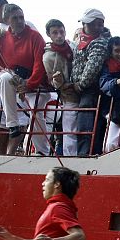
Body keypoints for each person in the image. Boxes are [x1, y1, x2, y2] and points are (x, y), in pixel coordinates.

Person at [0, 3, 52, 156]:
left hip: (35, 84)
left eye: (21, 17)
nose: (20, 21)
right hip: (16, 82)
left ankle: (42, 150)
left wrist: (29, 84)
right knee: (4, 78)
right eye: (15, 18)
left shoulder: (35, 36)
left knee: (35, 109)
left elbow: (39, 65)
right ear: (8, 20)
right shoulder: (3, 37)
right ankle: (13, 125)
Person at [71, 8, 111, 156]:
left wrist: (80, 84)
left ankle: (85, 154)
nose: (84, 26)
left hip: (90, 90)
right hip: (85, 90)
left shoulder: (99, 43)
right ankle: (86, 152)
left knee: (86, 125)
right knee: (86, 123)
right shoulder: (83, 41)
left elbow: (92, 67)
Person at [43, 19, 80, 157]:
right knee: (69, 129)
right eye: (55, 33)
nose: (59, 35)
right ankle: (71, 158)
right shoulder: (48, 56)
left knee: (82, 127)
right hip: (68, 94)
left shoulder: (72, 46)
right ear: (49, 34)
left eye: (61, 32)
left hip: (81, 90)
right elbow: (53, 82)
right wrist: (58, 81)